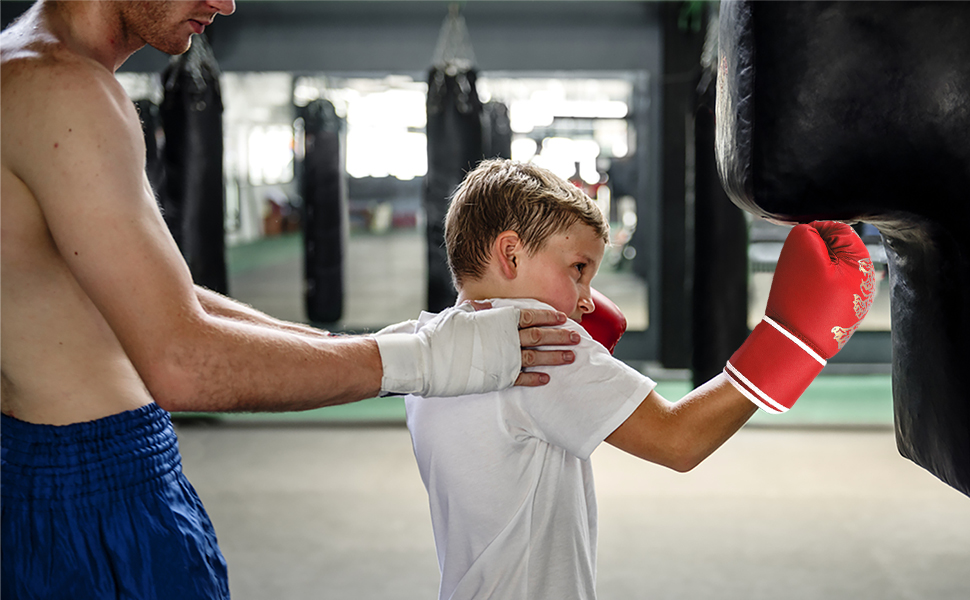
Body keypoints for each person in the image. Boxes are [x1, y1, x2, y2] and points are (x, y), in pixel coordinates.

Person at [0, 2, 579, 598]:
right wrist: (428, 361)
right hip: (94, 500)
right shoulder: (67, 89)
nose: (225, 3)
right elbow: (182, 363)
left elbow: (149, 294)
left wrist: (358, 346)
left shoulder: (23, 68)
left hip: (36, 480)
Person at [403, 159, 873, 599]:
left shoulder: (426, 347)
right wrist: (791, 341)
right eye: (578, 269)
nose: (587, 300)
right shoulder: (537, 344)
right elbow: (678, 440)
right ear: (510, 253)